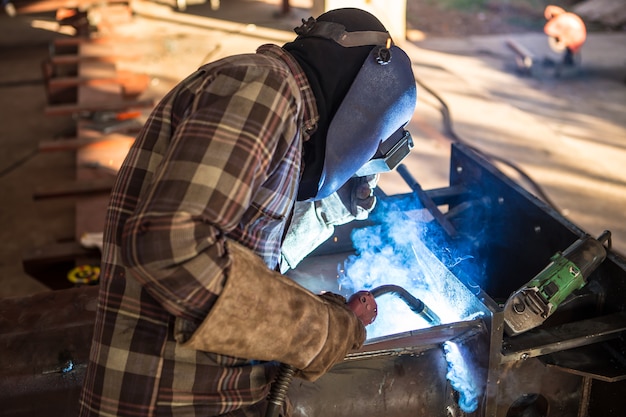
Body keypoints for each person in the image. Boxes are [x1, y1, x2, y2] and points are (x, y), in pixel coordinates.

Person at [79, 7, 417, 417]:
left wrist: (334, 204)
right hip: (171, 399)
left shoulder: (282, 113)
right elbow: (173, 248)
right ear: (370, 91)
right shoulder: (263, 89)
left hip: (204, 393)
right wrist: (321, 329)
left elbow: (245, 256)